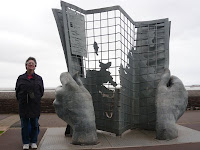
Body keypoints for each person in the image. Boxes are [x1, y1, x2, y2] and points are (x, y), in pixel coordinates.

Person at [15, 57, 44, 150]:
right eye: (29, 63)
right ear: (26, 66)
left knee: (35, 124)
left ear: (35, 66)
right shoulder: (20, 78)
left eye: (32, 63)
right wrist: (21, 99)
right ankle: (26, 142)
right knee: (24, 126)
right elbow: (17, 91)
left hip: (35, 106)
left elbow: (41, 92)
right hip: (24, 106)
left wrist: (35, 98)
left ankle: (34, 141)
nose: (30, 64)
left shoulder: (39, 78)